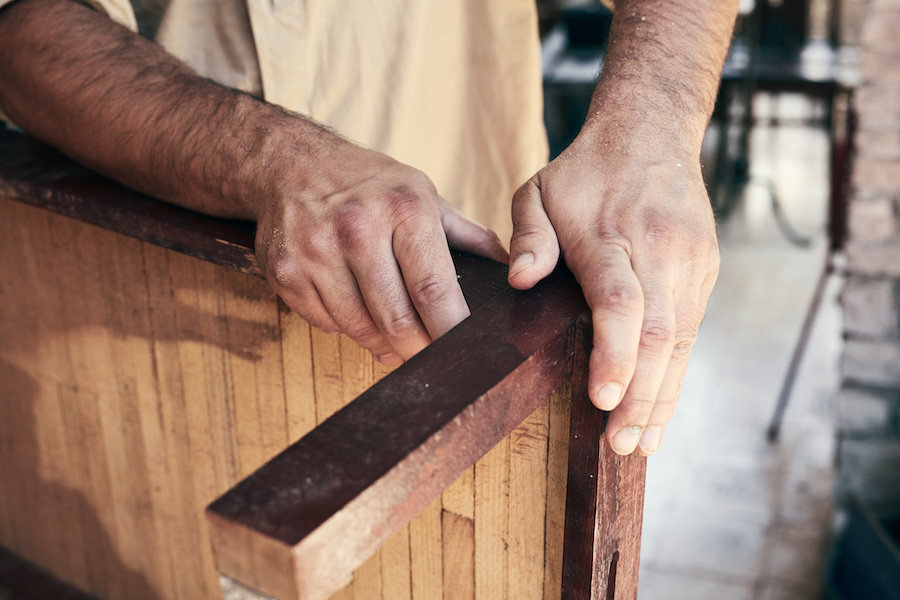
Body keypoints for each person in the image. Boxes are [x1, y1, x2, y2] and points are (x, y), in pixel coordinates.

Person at [0, 0, 739, 457]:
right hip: (163, 331)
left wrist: (651, 126)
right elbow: (19, 28)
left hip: (477, 299)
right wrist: (268, 155)